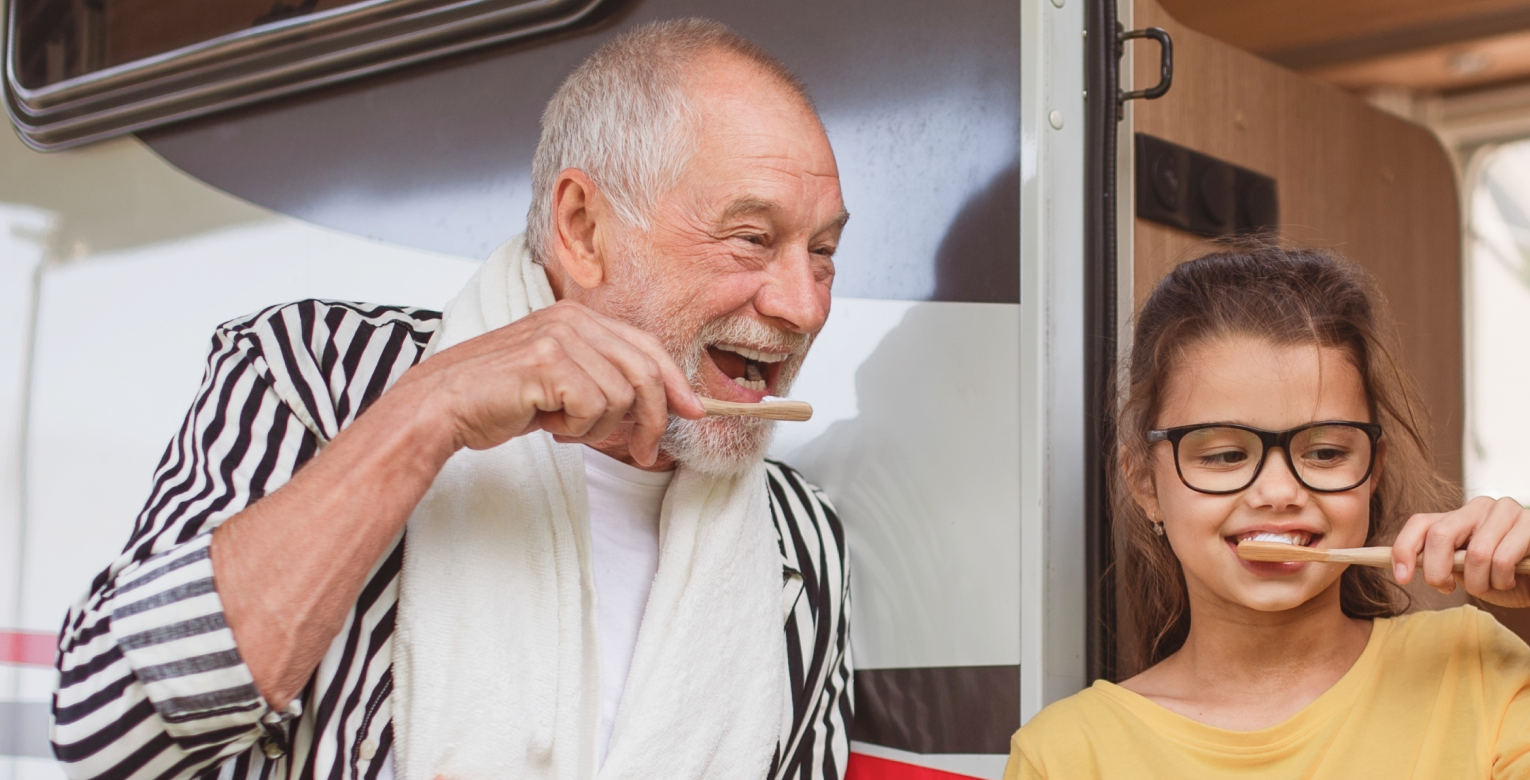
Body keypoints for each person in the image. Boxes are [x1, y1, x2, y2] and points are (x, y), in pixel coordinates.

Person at [51, 19, 852, 780]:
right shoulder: (311, 375)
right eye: (753, 237)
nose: (804, 306)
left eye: (822, 254)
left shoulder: (802, 539)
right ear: (583, 228)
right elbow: (107, 734)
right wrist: (428, 410)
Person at [1008, 247, 1530, 778]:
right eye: (1225, 455)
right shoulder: (1067, 755)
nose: (1279, 492)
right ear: (1145, 481)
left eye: (1326, 453)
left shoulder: (1475, 667)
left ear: (1373, 471)